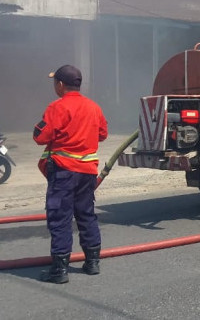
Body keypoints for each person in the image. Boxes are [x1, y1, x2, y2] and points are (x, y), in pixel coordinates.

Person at [33, 65, 108, 284]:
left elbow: (41, 137)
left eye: (54, 82)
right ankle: (92, 263)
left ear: (60, 84)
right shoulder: (93, 107)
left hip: (64, 172)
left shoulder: (57, 107)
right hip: (87, 173)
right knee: (86, 215)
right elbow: (103, 134)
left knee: (60, 218)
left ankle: (59, 271)